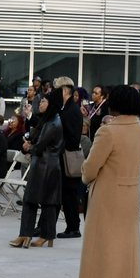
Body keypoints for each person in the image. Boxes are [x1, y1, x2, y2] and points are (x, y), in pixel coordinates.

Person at [73, 85, 140, 278]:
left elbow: (90, 168)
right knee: (127, 249)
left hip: (107, 197)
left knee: (103, 251)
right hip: (130, 195)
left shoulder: (108, 131)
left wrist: (87, 177)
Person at [11, 91, 64, 248]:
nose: (40, 104)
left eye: (44, 102)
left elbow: (40, 146)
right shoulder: (48, 119)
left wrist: (29, 147)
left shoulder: (54, 122)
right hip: (45, 164)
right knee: (45, 201)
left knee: (32, 200)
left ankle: (27, 234)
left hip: (45, 165)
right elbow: (37, 138)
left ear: (52, 104)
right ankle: (42, 235)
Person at [56, 76, 84, 239]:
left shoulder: (72, 110)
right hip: (63, 156)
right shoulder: (66, 108)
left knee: (69, 196)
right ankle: (71, 226)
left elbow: (73, 138)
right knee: (66, 195)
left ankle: (73, 227)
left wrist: (59, 144)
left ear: (65, 90)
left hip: (68, 157)